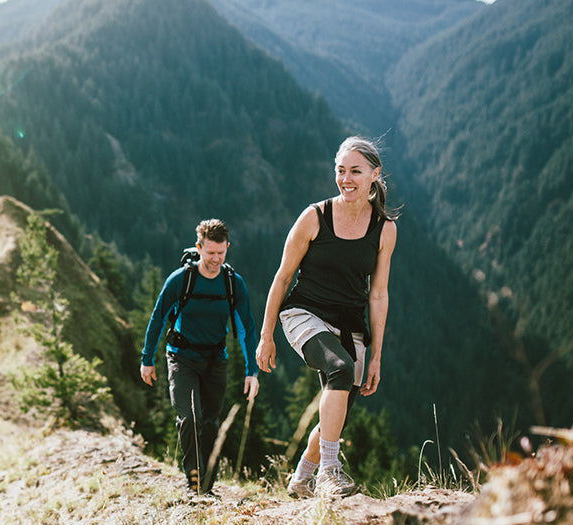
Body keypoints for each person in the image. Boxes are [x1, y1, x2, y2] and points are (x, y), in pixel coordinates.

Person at [256, 136, 398, 498]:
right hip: (304, 312)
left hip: (351, 324)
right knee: (340, 369)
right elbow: (283, 277)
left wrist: (377, 354)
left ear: (374, 175)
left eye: (355, 171)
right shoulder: (314, 217)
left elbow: (378, 294)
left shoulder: (384, 229)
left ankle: (303, 476)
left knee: (337, 411)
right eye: (340, 170)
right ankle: (329, 473)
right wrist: (266, 333)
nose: (346, 179)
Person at [141, 219, 260, 495]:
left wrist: (251, 371)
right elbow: (158, 319)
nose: (216, 259)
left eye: (221, 252)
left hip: (216, 360)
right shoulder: (181, 279)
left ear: (227, 248)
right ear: (199, 248)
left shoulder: (233, 284)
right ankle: (194, 483)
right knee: (190, 418)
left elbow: (247, 328)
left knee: (210, 422)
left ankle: (207, 486)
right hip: (182, 357)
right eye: (210, 253)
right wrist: (147, 359)